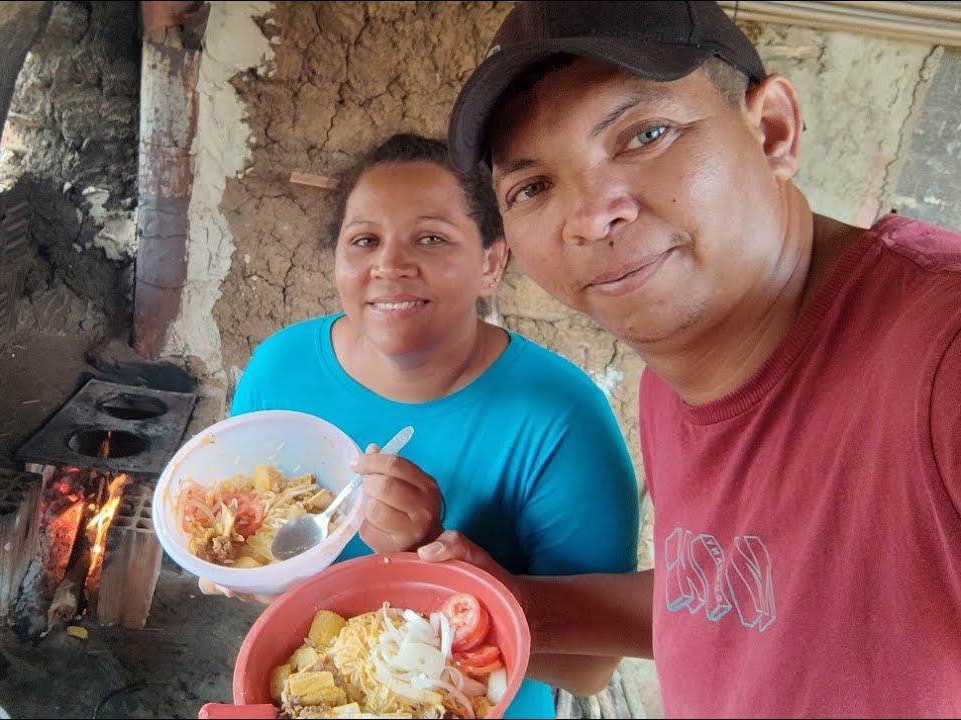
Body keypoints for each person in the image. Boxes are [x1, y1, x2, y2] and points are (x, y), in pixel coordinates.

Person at [417, 1, 961, 717]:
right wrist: (495, 600)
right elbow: (731, 603)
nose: (591, 216)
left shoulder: (939, 357)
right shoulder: (673, 378)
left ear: (772, 131)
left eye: (646, 134)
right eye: (533, 187)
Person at [217, 132, 641, 717]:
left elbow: (591, 669)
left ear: (491, 262)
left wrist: (425, 563)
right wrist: (254, 578)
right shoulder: (278, 371)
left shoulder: (562, 418)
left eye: (431, 238)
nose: (390, 265)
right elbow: (272, 572)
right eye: (364, 240)